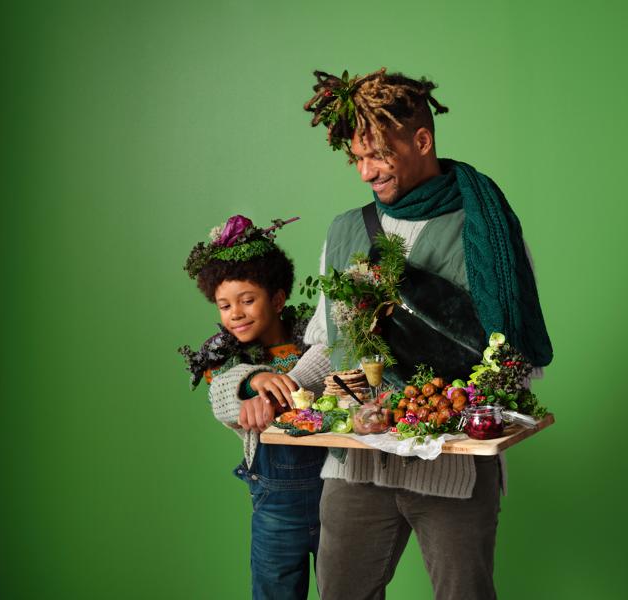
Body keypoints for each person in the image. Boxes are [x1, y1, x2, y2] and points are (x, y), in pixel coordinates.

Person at [211, 69, 553, 600]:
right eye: (357, 159)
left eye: (378, 156)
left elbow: (518, 360)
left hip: (454, 471)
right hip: (355, 465)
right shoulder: (345, 230)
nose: (366, 172)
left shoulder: (487, 230)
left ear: (422, 141)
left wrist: (465, 411)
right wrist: (285, 389)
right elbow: (330, 346)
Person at [178, 215, 327, 600]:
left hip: (336, 497)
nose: (236, 313)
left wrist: (297, 379)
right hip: (275, 509)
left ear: (277, 300)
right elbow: (222, 395)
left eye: (247, 300)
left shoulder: (311, 340)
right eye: (224, 305)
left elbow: (332, 361)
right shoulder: (227, 359)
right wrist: (255, 380)